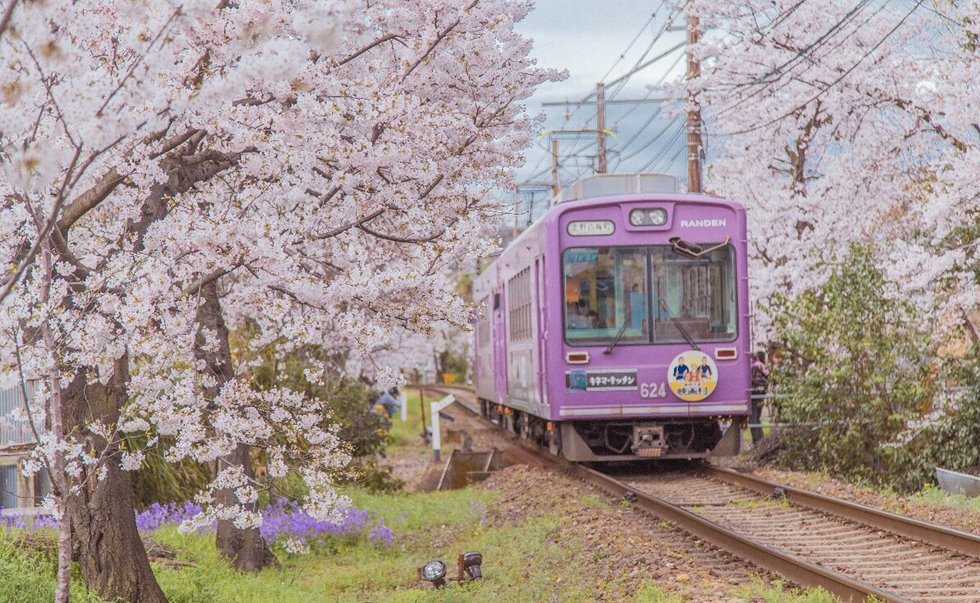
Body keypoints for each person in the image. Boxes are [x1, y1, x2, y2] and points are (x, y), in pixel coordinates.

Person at [750, 351, 771, 445]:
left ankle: (756, 441)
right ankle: (761, 439)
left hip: (754, 393)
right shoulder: (764, 366)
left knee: (753, 418)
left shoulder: (755, 365)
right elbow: (768, 374)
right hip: (761, 394)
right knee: (758, 417)